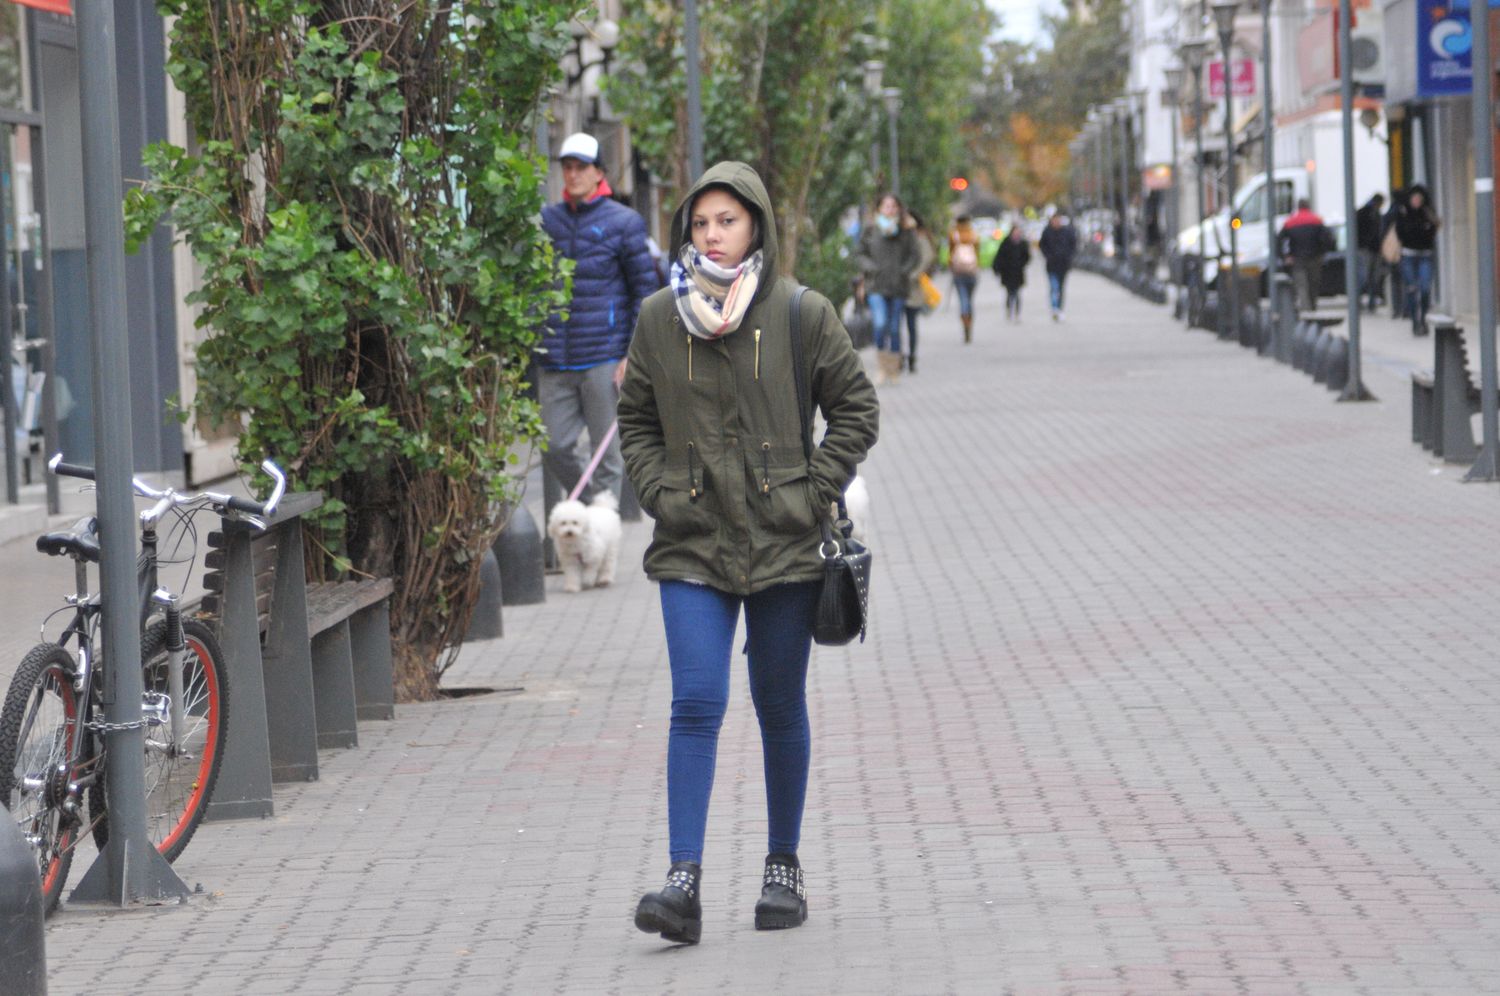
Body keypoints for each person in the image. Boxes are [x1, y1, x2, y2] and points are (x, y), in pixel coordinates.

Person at [619, 161, 879, 945]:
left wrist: (813, 489)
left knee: (778, 706)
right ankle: (683, 882)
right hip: (691, 540)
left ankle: (782, 868)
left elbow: (856, 410)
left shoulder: (802, 313)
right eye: (701, 223)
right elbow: (635, 420)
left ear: (756, 226)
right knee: (696, 702)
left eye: (727, 220)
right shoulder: (661, 318)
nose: (712, 234)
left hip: (784, 544)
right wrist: (660, 491)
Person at [538, 132, 657, 503]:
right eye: (567, 167)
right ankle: (596, 509)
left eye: (580, 168)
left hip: (605, 356)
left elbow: (645, 292)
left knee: (607, 457)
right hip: (555, 357)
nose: (572, 175)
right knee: (553, 445)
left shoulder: (625, 222)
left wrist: (631, 354)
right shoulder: (547, 221)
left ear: (599, 173)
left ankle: (601, 537)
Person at [857, 193, 921, 385]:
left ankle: (893, 370)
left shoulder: (906, 230)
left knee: (894, 328)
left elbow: (914, 255)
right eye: (886, 206)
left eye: (893, 206)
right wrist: (870, 268)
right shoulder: (870, 229)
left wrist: (905, 271)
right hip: (876, 285)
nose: (890, 209)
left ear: (898, 209)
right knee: (880, 323)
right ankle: (882, 367)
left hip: (898, 286)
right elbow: (859, 253)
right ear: (879, 209)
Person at [1395, 185, 1441, 335]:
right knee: (1411, 289)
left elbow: (1434, 230)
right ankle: (1415, 320)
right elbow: (1400, 232)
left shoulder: (1427, 213)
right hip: (1408, 254)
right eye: (1414, 198)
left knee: (1425, 288)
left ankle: (1423, 318)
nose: (1416, 201)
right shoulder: (1403, 213)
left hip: (1425, 254)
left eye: (1419, 199)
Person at [1277, 198, 1335, 314]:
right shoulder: (1317, 220)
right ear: (1309, 207)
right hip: (1315, 258)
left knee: (1301, 286)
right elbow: (1328, 239)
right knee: (1313, 284)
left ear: (1298, 207)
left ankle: (1306, 311)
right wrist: (1323, 252)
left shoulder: (1290, 222)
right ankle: (1313, 307)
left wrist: (1285, 256)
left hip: (1297, 259)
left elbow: (1278, 241)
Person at [902, 211, 937, 373]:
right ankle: (899, 356)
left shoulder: (920, 237)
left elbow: (928, 256)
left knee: (911, 324)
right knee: (895, 326)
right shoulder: (898, 236)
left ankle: (911, 356)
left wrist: (914, 274)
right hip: (896, 288)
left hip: (913, 289)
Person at [1037, 214, 1078, 321]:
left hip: (1063, 265)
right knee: (1053, 287)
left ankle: (1059, 308)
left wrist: (1068, 256)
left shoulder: (1067, 232)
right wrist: (1047, 256)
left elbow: (1073, 244)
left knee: (1060, 288)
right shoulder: (1047, 232)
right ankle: (1054, 307)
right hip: (1051, 265)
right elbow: (1042, 245)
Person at [948, 214, 982, 342]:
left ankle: (965, 322)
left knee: (963, 299)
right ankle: (969, 322)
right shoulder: (973, 235)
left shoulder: (954, 235)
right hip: (972, 272)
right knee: (969, 299)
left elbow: (950, 253)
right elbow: (978, 252)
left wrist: (950, 265)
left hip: (958, 273)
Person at [1354, 193, 1386, 313]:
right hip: (1365, 249)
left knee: (1372, 278)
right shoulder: (1366, 213)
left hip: (1372, 249)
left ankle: (1369, 303)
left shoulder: (1372, 213)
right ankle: (1361, 302)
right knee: (1366, 276)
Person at [992, 225, 1031, 323]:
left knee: (1017, 293)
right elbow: (999, 257)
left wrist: (1022, 263)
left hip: (1018, 272)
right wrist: (997, 269)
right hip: (1007, 272)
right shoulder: (1005, 243)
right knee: (1010, 293)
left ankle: (1017, 313)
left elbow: (1027, 257)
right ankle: (1009, 310)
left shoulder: (1022, 243)